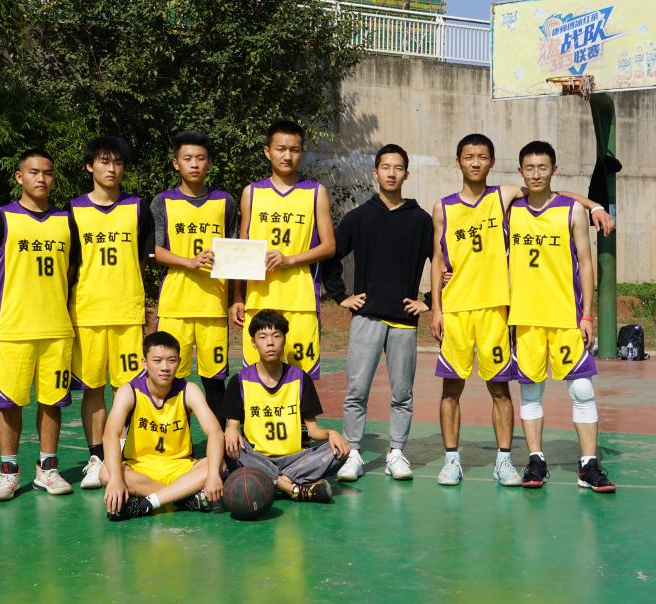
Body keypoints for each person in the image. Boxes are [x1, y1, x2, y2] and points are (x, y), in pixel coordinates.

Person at [430, 133, 614, 487]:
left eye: (482, 157)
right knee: (469, 388)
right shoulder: (461, 207)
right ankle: (497, 461)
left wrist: (594, 206)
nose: (475, 162)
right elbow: (438, 257)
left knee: (566, 390)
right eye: (469, 157)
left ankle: (574, 464)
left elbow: (555, 196)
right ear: (458, 161)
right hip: (486, 313)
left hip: (521, 312)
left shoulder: (510, 198)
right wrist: (435, 306)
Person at [508, 140, 616, 493]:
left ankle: (588, 465)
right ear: (521, 171)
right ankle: (536, 460)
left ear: (554, 169)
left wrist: (587, 315)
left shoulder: (571, 210)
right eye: (529, 168)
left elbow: (586, 264)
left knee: (582, 390)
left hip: (566, 316)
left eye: (543, 167)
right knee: (530, 391)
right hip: (525, 318)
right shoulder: (510, 209)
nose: (536, 174)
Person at [0, 148, 80, 502]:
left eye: (47, 173)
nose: (41, 178)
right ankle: (8, 473)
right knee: (9, 402)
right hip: (13, 329)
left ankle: (47, 470)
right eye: (34, 172)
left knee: (52, 402)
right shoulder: (1, 217)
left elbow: (70, 271)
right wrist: (2, 298)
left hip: (56, 329)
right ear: (20, 176)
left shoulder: (65, 220)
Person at [321, 144, 432, 482]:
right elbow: (330, 256)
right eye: (385, 167)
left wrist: (428, 301)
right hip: (366, 318)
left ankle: (396, 452)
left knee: (402, 394)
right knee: (357, 390)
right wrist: (341, 296)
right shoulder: (359, 217)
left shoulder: (421, 220)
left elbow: (445, 265)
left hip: (404, 322)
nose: (391, 173)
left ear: (406, 174)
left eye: (398, 168)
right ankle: (353, 452)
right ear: (376, 172)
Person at [67, 136, 153, 490]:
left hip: (127, 312)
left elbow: (143, 262)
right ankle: (97, 457)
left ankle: (122, 452)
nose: (111, 169)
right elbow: (70, 266)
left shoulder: (138, 208)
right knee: (93, 388)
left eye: (118, 162)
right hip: (87, 312)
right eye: (104, 161)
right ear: (90, 166)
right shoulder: (72, 210)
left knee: (127, 388)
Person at [230, 120, 336, 380]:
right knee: (256, 379)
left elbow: (329, 246)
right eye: (281, 149)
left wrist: (290, 260)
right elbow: (242, 249)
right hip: (259, 301)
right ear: (267, 152)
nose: (287, 156)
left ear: (301, 152)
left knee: (302, 380)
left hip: (301, 302)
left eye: (294, 150)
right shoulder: (251, 193)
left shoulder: (316, 192)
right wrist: (238, 297)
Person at [151, 131, 237, 418]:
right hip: (175, 306)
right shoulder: (162, 202)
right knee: (171, 379)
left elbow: (234, 250)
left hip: (213, 305)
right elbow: (156, 251)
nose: (194, 164)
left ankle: (221, 439)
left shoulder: (225, 201)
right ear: (176, 163)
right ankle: (176, 439)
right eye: (187, 158)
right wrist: (188, 262)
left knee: (214, 380)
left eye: (200, 158)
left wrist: (236, 298)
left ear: (209, 163)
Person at [221, 310, 349, 502]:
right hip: (257, 457)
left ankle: (278, 481)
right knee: (226, 446)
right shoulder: (240, 380)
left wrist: (331, 433)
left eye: (276, 336)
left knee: (341, 448)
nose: (270, 342)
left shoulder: (300, 378)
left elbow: (313, 430)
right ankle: (293, 487)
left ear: (284, 340)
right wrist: (231, 430)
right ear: (253, 343)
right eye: (263, 337)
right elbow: (232, 427)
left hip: (295, 458)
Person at [100, 331, 225, 520]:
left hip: (180, 467)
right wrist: (117, 479)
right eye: (157, 361)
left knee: (218, 465)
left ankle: (147, 504)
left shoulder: (188, 390)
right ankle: (183, 498)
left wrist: (213, 474)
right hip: (140, 468)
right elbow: (110, 435)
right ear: (144, 362)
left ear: (179, 362)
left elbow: (215, 432)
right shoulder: (129, 391)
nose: (165, 367)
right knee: (105, 473)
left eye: (171, 360)